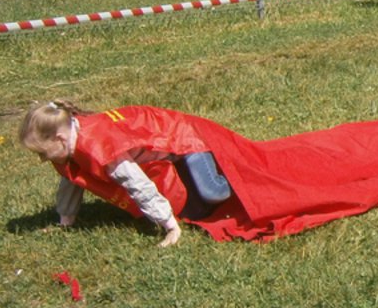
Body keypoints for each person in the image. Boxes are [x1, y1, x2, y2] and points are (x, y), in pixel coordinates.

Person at [18, 101, 235, 248]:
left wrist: (169, 225)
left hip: (186, 140)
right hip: (169, 152)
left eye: (42, 153)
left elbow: (137, 184)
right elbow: (72, 179)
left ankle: (235, 171)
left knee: (214, 193)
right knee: (196, 211)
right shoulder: (71, 145)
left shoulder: (99, 147)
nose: (42, 160)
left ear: (59, 139)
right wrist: (66, 219)